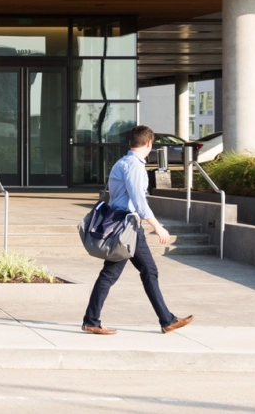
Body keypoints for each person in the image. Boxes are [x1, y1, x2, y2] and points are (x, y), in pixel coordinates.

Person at [83, 125, 194, 335]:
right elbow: (138, 200)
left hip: (126, 227)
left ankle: (166, 319)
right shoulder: (133, 166)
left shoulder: (122, 162)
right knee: (121, 274)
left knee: (143, 271)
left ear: (130, 142)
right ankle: (92, 321)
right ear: (149, 143)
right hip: (127, 228)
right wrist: (157, 226)